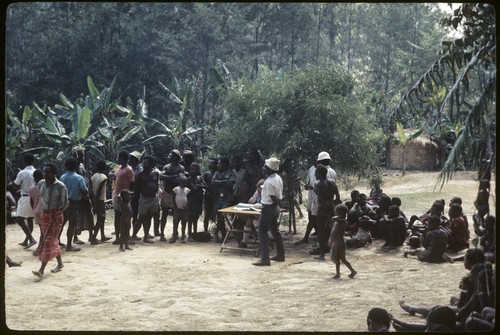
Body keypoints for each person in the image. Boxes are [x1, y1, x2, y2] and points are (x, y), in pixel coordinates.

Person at [32, 162, 68, 279]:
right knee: (52, 240)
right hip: (45, 215)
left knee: (48, 241)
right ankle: (60, 263)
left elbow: (65, 203)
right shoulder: (41, 184)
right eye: (44, 171)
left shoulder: (60, 186)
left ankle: (41, 270)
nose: (45, 174)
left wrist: (56, 212)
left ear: (54, 173)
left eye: (48, 172)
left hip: (56, 216)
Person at [252, 157, 284, 266]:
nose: (263, 168)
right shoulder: (277, 178)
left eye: (265, 166)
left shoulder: (269, 182)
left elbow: (272, 197)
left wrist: (277, 205)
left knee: (262, 232)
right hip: (274, 208)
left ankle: (265, 258)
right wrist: (279, 206)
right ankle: (280, 254)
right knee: (275, 231)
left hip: (268, 207)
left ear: (270, 169)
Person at [60, 157, 92, 251]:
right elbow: (84, 190)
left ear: (66, 166)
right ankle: (69, 245)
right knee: (72, 224)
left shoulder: (62, 177)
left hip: (63, 203)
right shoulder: (79, 178)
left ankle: (57, 240)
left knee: (62, 223)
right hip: (74, 203)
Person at [312, 164, 340, 260]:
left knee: (320, 231)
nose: (315, 175)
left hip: (322, 210)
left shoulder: (317, 185)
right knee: (330, 230)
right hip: (331, 209)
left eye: (316, 173)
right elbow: (338, 197)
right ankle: (332, 250)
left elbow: (320, 199)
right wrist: (332, 206)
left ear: (319, 174)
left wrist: (325, 206)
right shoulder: (332, 183)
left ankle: (322, 254)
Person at [132, 156, 160, 244]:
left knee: (149, 218)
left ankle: (146, 236)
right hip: (144, 198)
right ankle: (133, 235)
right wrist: (135, 198)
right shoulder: (140, 174)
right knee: (141, 218)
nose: (144, 165)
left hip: (153, 198)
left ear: (151, 164)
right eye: (143, 163)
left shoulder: (156, 173)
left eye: (146, 163)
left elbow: (157, 185)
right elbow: (136, 188)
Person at [110, 151, 135, 245]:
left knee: (126, 217)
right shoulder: (118, 168)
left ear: (123, 159)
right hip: (117, 194)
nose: (117, 159)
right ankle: (118, 237)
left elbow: (132, 183)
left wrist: (128, 196)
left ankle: (125, 237)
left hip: (125, 196)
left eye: (118, 158)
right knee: (117, 216)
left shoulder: (129, 170)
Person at [159, 149, 185, 241]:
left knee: (176, 215)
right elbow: (161, 177)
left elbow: (180, 179)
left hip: (176, 194)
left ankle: (175, 233)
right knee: (164, 214)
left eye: (171, 155)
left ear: (176, 157)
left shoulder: (181, 168)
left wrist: (169, 178)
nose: (169, 157)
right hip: (167, 193)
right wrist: (174, 177)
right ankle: (162, 234)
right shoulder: (167, 167)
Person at [13, 153, 37, 249]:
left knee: (19, 219)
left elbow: (16, 183)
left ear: (24, 161)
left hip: (25, 197)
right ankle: (26, 240)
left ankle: (31, 239)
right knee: (30, 219)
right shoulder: (36, 171)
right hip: (34, 198)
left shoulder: (22, 172)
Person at [212, 157, 237, 243]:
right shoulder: (216, 173)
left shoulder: (232, 173)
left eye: (219, 163)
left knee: (222, 215)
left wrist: (219, 182)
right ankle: (223, 235)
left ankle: (216, 232)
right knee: (219, 217)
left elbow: (230, 184)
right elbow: (213, 182)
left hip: (227, 198)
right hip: (218, 197)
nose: (217, 165)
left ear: (225, 164)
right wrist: (224, 181)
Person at [329, 204, 357, 279]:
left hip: (341, 244)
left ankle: (352, 271)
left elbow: (338, 219)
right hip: (335, 243)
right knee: (337, 260)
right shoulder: (336, 221)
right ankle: (337, 273)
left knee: (343, 259)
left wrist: (337, 217)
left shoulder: (343, 221)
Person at [89, 160, 111, 244]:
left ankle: (102, 236)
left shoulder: (93, 176)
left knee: (101, 218)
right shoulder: (104, 177)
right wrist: (97, 201)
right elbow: (99, 190)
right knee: (101, 219)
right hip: (100, 200)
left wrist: (93, 198)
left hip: (95, 199)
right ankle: (93, 238)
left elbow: (90, 189)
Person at [239, 179, 264, 248]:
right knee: (251, 220)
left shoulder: (267, 194)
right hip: (256, 213)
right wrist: (257, 193)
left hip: (264, 214)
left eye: (260, 188)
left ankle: (260, 240)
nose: (258, 189)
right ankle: (244, 242)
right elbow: (250, 201)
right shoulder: (258, 192)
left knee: (253, 220)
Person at [186, 163, 206, 242]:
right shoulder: (189, 179)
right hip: (191, 200)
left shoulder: (199, 178)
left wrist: (198, 185)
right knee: (190, 218)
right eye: (192, 169)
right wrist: (200, 186)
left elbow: (206, 186)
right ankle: (190, 234)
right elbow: (193, 188)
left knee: (196, 218)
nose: (193, 171)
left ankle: (195, 233)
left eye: (195, 169)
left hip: (198, 200)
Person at [170, 174, 190, 243]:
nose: (183, 184)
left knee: (184, 223)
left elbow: (189, 199)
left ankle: (183, 236)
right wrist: (175, 207)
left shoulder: (187, 190)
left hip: (184, 209)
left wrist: (187, 206)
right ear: (179, 182)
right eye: (182, 182)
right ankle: (174, 236)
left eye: (185, 182)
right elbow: (173, 198)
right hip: (177, 209)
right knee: (175, 223)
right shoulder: (176, 189)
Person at [29, 169, 44, 256]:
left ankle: (40, 248)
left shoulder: (31, 188)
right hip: (44, 211)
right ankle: (39, 248)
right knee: (44, 232)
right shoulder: (45, 186)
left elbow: (31, 202)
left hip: (36, 211)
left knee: (42, 230)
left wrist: (34, 209)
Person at [202, 158, 217, 233]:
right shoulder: (206, 174)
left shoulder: (218, 173)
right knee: (207, 214)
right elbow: (203, 184)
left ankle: (217, 231)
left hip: (217, 196)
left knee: (217, 214)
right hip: (208, 196)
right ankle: (205, 231)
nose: (210, 165)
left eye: (212, 163)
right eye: (210, 163)